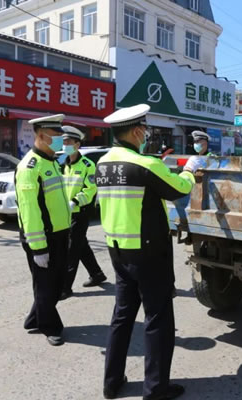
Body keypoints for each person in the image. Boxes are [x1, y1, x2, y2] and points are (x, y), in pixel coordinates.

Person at [97, 104, 205, 400]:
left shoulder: (102, 164)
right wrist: (189, 170)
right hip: (147, 255)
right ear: (135, 131)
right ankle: (156, 389)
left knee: (122, 317)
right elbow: (180, 188)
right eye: (144, 130)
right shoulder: (145, 164)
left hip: (117, 251)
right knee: (157, 319)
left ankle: (111, 383)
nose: (146, 135)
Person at [15, 114, 71, 347]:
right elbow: (29, 211)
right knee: (47, 285)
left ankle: (34, 318)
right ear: (40, 135)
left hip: (60, 233)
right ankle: (49, 326)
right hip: (42, 237)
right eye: (56, 136)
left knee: (56, 284)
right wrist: (38, 247)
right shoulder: (29, 167)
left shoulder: (51, 162)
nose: (60, 140)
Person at [60, 125, 107, 300]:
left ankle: (65, 287)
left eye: (69, 142)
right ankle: (97, 274)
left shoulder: (88, 165)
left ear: (77, 144)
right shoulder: (63, 165)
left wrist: (75, 201)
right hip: (66, 213)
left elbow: (90, 189)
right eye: (64, 142)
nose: (65, 145)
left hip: (80, 212)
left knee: (71, 249)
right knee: (81, 245)